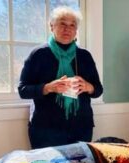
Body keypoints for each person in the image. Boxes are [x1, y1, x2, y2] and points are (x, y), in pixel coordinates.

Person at [18, 6, 103, 149]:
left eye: (72, 25)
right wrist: (48, 87)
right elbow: (23, 90)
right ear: (52, 26)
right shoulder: (38, 54)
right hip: (45, 130)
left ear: (76, 30)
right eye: (62, 24)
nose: (67, 29)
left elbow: (98, 90)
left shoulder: (84, 56)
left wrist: (89, 87)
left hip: (81, 128)